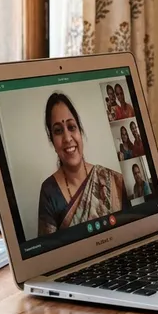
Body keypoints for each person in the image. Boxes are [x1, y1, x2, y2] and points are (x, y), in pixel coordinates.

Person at [38, 93, 128, 236]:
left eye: (71, 127)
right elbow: (48, 254)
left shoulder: (113, 180)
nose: (67, 138)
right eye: (58, 131)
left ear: (80, 131)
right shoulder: (49, 191)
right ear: (52, 141)